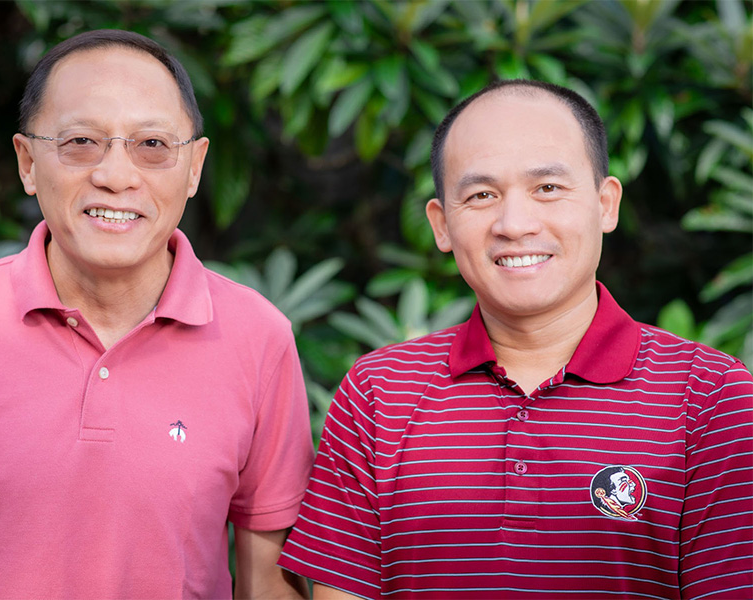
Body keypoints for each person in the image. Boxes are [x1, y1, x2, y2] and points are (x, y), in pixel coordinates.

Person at [0, 29, 314, 599]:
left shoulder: (259, 338)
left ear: (194, 168)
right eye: (80, 142)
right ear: (27, 162)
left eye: (152, 145)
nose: (116, 176)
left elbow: (268, 587)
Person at [278, 80, 753, 598]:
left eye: (547, 187)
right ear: (441, 225)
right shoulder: (380, 392)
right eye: (482, 195)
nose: (515, 223)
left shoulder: (712, 395)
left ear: (606, 204)